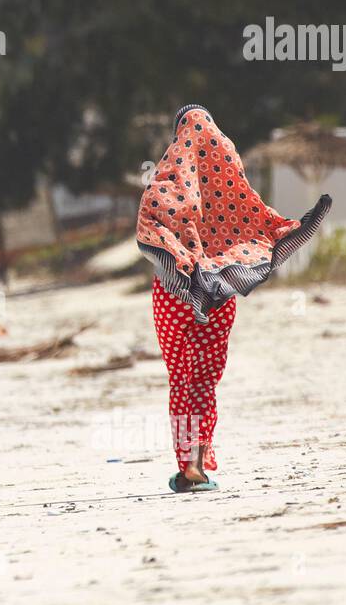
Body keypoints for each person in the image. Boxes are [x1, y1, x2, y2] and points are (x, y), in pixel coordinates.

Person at [136, 104, 331, 493]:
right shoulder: (228, 172)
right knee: (205, 380)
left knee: (182, 378)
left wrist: (182, 262)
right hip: (221, 294)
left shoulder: (167, 178)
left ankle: (187, 462)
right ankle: (197, 466)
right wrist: (288, 230)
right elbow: (256, 217)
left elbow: (150, 225)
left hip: (174, 298)